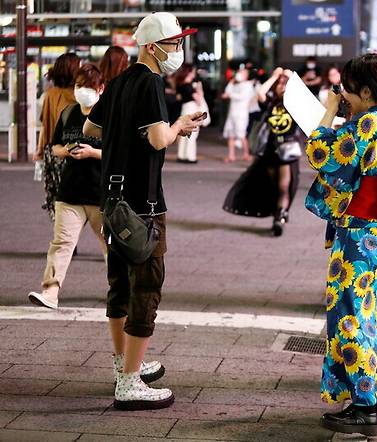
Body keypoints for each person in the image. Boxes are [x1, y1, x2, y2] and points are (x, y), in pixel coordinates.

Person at [83, 11, 203, 410]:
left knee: (118, 285)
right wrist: (180, 124)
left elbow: (89, 129)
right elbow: (156, 139)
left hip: (112, 200)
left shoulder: (118, 83)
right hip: (143, 205)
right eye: (174, 43)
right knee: (146, 288)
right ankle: (130, 382)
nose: (178, 50)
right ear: (152, 47)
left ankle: (124, 366)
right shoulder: (151, 82)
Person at [305, 52, 377, 437]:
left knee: (350, 315)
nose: (343, 95)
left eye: (348, 89)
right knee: (376, 315)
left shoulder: (366, 122)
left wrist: (327, 111)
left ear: (365, 91)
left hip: (359, 233)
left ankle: (363, 407)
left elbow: (322, 154)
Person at [28, 64, 106, 310]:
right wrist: (68, 151)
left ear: (100, 89)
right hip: (70, 192)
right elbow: (55, 146)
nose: (82, 91)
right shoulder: (68, 113)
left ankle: (120, 291)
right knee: (61, 244)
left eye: (88, 87)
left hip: (101, 194)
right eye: (79, 86)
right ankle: (50, 292)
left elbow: (119, 152)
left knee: (112, 247)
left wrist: (93, 152)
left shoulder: (109, 115)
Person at [223, 68, 303, 237]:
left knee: (283, 186)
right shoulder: (270, 103)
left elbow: (304, 95)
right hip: (269, 151)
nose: (282, 86)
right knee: (273, 186)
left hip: (287, 150)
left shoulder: (296, 104)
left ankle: (280, 218)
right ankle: (278, 213)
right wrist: (274, 76)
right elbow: (260, 93)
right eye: (279, 84)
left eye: (285, 84)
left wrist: (290, 77)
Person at [35, 53, 81, 221]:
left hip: (55, 152)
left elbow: (45, 125)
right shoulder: (80, 94)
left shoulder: (51, 94)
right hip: (78, 151)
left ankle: (66, 235)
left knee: (58, 197)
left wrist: (40, 151)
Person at [176, 64, 210, 163]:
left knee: (184, 133)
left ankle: (181, 155)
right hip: (191, 109)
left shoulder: (181, 84)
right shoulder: (189, 86)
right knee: (192, 133)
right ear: (189, 72)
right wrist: (199, 89)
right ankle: (190, 156)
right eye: (193, 71)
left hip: (184, 109)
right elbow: (198, 99)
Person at [222, 66, 255, 162]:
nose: (239, 74)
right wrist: (232, 81)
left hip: (241, 114)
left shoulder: (248, 85)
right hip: (232, 113)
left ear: (246, 75)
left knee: (241, 135)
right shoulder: (235, 84)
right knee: (230, 135)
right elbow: (227, 91)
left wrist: (230, 95)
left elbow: (242, 97)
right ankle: (231, 155)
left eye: (242, 72)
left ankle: (246, 154)